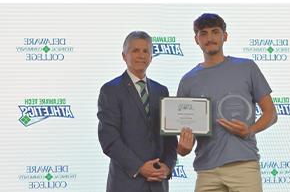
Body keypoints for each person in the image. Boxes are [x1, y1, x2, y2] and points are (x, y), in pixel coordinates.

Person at [176, 13, 277, 192]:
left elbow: (271, 114)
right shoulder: (187, 80)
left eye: (215, 32)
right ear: (196, 39)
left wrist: (250, 130)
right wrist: (183, 148)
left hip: (243, 166)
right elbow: (185, 136)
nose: (210, 38)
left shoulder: (247, 67)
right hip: (206, 170)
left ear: (225, 36)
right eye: (203, 33)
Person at [97, 31, 177, 192]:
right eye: (135, 50)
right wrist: (139, 167)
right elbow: (109, 139)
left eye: (145, 51)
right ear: (124, 56)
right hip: (125, 184)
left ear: (151, 57)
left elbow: (170, 137)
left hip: (158, 184)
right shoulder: (111, 90)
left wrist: (168, 166)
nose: (141, 55)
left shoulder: (161, 90)